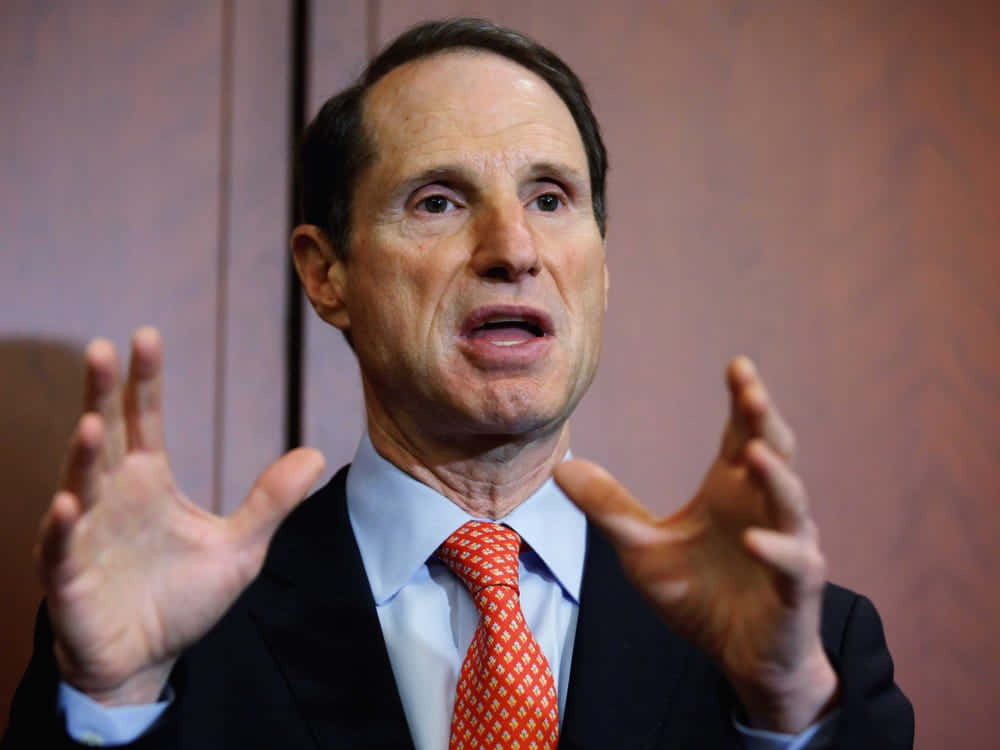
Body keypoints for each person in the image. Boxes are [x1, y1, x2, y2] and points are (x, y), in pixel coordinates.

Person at [3, 18, 912, 750]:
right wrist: (113, 702)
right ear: (328, 276)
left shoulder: (802, 654)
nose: (513, 250)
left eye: (551, 199)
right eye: (438, 200)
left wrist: (786, 713)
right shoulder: (171, 645)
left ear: (601, 269)